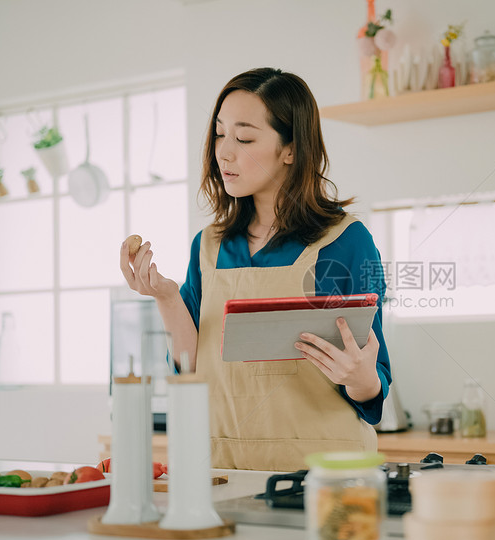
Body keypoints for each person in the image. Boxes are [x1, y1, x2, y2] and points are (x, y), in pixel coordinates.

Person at [119, 68, 391, 471]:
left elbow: (373, 388)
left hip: (323, 472)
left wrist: (361, 376)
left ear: (291, 150)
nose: (224, 152)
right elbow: (191, 370)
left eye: (244, 138)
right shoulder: (208, 246)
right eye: (219, 134)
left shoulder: (344, 241)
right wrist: (166, 296)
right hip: (223, 466)